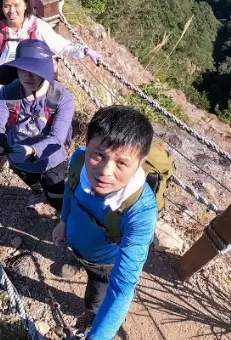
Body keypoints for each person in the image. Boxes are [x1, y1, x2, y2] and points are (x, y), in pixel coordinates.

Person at [51, 106, 158, 340]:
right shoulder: (79, 159)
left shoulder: (141, 212)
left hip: (105, 265)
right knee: (80, 252)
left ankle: (90, 315)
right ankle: (77, 261)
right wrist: (64, 221)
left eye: (122, 163)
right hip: (76, 240)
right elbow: (70, 191)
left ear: (141, 162)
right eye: (98, 154)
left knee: (96, 294)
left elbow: (122, 288)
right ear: (87, 142)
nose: (104, 171)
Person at [0, 39, 75, 211]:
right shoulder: (8, 92)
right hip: (18, 157)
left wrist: (32, 151)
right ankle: (37, 191)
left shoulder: (63, 97)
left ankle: (61, 214)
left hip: (52, 161)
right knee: (30, 180)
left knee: (57, 196)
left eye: (34, 70)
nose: (27, 76)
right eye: (22, 69)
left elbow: (57, 137)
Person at [0, 0, 101, 96]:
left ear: (26, 4)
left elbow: (61, 45)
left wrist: (86, 51)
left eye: (16, 5)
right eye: (6, 6)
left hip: (32, 89)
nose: (11, 11)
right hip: (4, 88)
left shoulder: (37, 26)